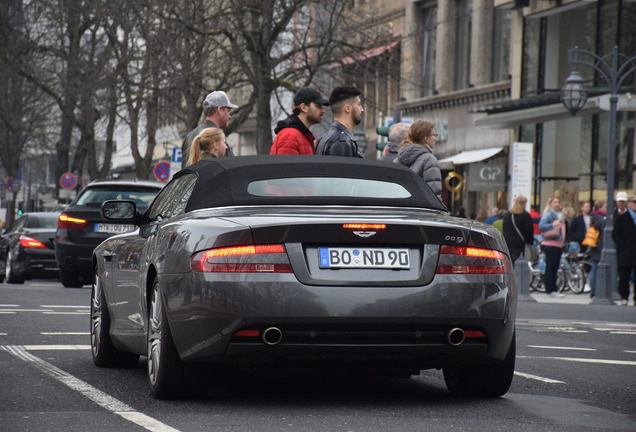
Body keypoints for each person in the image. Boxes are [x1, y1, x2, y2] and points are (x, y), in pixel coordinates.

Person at [181, 90, 238, 167]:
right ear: (220, 110)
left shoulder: (189, 136)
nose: (229, 116)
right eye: (228, 111)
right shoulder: (216, 136)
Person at [270, 87, 329, 155]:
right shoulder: (290, 136)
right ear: (303, 107)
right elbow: (286, 165)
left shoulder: (302, 135)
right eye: (318, 106)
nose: (323, 111)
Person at [394, 119, 442, 202]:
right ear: (425, 139)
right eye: (434, 135)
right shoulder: (429, 160)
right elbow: (433, 194)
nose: (435, 138)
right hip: (421, 211)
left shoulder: (398, 159)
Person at [314, 86, 365, 158]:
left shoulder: (322, 139)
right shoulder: (342, 142)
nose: (362, 109)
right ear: (347, 108)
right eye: (359, 105)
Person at [539, 196, 566, 298]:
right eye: (555, 202)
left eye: (558, 202)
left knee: (554, 268)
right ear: (550, 204)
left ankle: (553, 289)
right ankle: (550, 290)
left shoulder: (558, 214)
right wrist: (552, 225)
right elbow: (541, 226)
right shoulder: (549, 214)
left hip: (557, 244)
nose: (557, 204)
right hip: (550, 244)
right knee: (551, 267)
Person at [612, 193, 636, 306]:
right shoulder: (621, 218)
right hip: (626, 251)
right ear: (629, 203)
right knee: (624, 276)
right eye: (634, 202)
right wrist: (622, 245)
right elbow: (615, 235)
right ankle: (624, 297)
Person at [503, 195, 534, 263]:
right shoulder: (526, 216)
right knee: (519, 263)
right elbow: (529, 231)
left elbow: (504, 229)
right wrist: (529, 243)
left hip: (507, 242)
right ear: (523, 204)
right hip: (519, 243)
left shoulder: (507, 215)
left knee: (509, 262)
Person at [587, 200, 607, 299]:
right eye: (605, 206)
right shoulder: (601, 218)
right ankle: (594, 290)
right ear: (600, 208)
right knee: (595, 268)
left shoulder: (594, 217)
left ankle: (594, 290)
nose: (607, 208)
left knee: (595, 268)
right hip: (599, 246)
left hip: (595, 245)